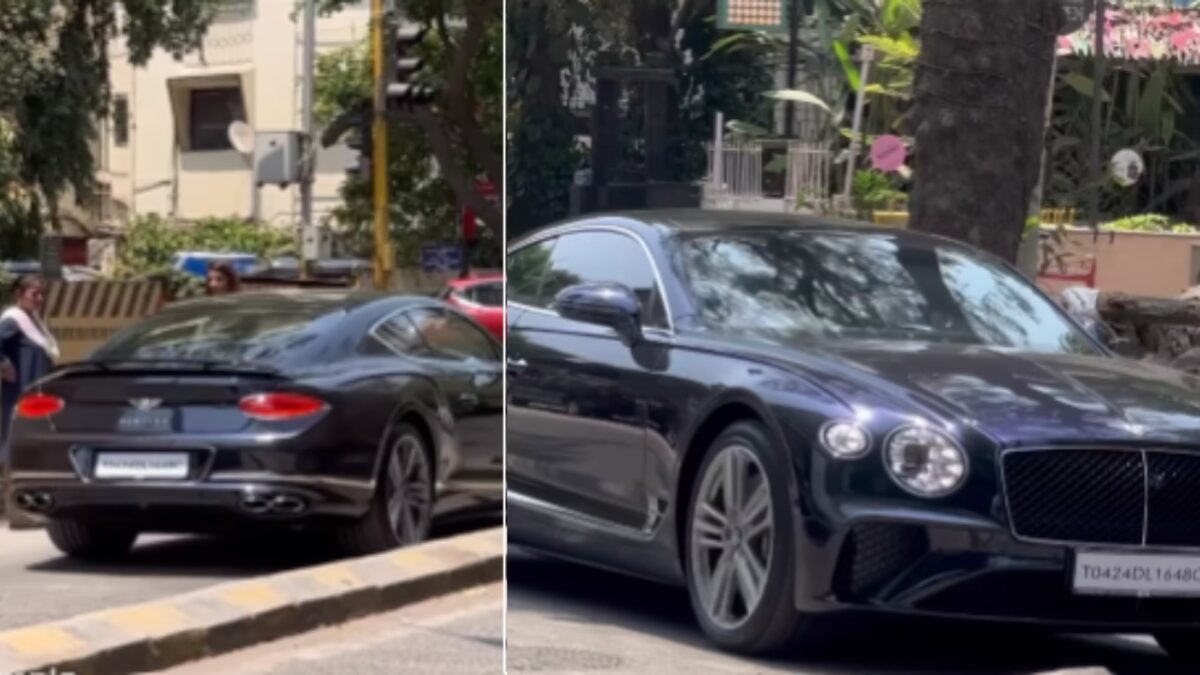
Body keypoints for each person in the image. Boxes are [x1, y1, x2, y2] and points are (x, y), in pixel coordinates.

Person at [0, 275, 58, 474]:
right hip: (21, 390)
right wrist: (4, 364)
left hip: (37, 390)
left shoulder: (33, 321)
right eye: (35, 294)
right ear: (19, 294)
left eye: (42, 294)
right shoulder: (13, 320)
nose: (40, 299)